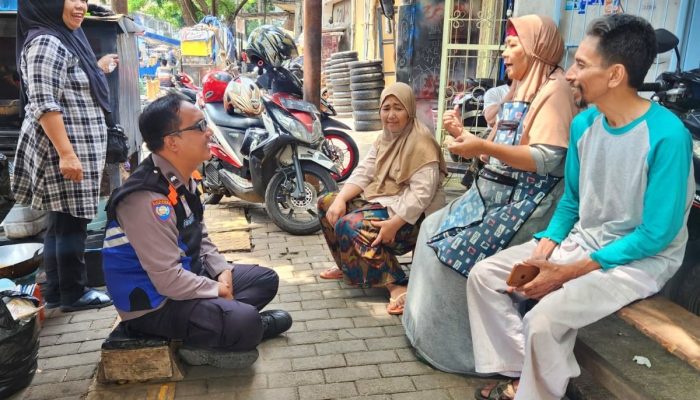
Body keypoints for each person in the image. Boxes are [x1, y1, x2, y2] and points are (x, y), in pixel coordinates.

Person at [468, 14, 694, 400]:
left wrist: (567, 272)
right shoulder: (585, 124)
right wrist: (546, 247)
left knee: (543, 318)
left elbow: (656, 234)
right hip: (582, 241)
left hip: (640, 262)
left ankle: (537, 391)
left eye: (582, 64)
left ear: (615, 75)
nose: (570, 74)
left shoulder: (668, 137)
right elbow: (572, 199)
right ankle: (527, 374)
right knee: (485, 277)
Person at [402, 15, 578, 374]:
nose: (504, 51)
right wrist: (465, 134)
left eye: (513, 44)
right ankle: (424, 333)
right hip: (491, 194)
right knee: (430, 228)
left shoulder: (555, 90)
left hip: (528, 203)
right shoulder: (519, 89)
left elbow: (546, 160)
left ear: (536, 48)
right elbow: (493, 150)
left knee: (447, 254)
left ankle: (464, 354)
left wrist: (482, 145)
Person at [102, 94, 292, 368]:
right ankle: (238, 326)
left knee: (265, 279)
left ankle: (222, 326)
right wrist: (217, 289)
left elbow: (200, 237)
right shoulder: (146, 199)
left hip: (186, 278)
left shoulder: (181, 179)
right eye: (200, 126)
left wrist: (222, 271)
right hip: (155, 305)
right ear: (172, 142)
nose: (209, 132)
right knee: (246, 322)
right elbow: (168, 281)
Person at [14, 0, 119, 312]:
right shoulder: (46, 41)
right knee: (72, 224)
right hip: (64, 151)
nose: (81, 6)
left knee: (61, 223)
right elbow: (44, 103)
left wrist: (95, 69)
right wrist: (67, 154)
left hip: (73, 148)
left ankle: (59, 291)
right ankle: (75, 293)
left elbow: (67, 84)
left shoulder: (61, 37)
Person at [317, 82, 447, 315]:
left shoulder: (422, 142)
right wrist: (340, 199)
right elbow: (364, 172)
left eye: (398, 108)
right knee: (326, 203)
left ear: (409, 110)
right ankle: (349, 266)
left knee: (352, 225)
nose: (391, 115)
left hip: (415, 220)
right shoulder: (383, 139)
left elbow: (422, 195)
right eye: (386, 108)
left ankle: (396, 284)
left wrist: (394, 224)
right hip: (388, 203)